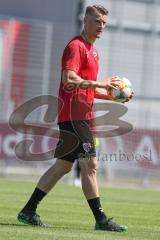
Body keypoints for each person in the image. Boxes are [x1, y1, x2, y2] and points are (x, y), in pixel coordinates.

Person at [17, 5, 128, 232]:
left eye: (104, 23)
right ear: (85, 21)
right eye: (97, 21)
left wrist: (112, 96)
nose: (101, 27)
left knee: (63, 166)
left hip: (82, 115)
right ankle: (101, 219)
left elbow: (84, 87)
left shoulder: (93, 51)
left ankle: (28, 210)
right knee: (91, 164)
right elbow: (69, 79)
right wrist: (101, 83)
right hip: (74, 115)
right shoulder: (76, 46)